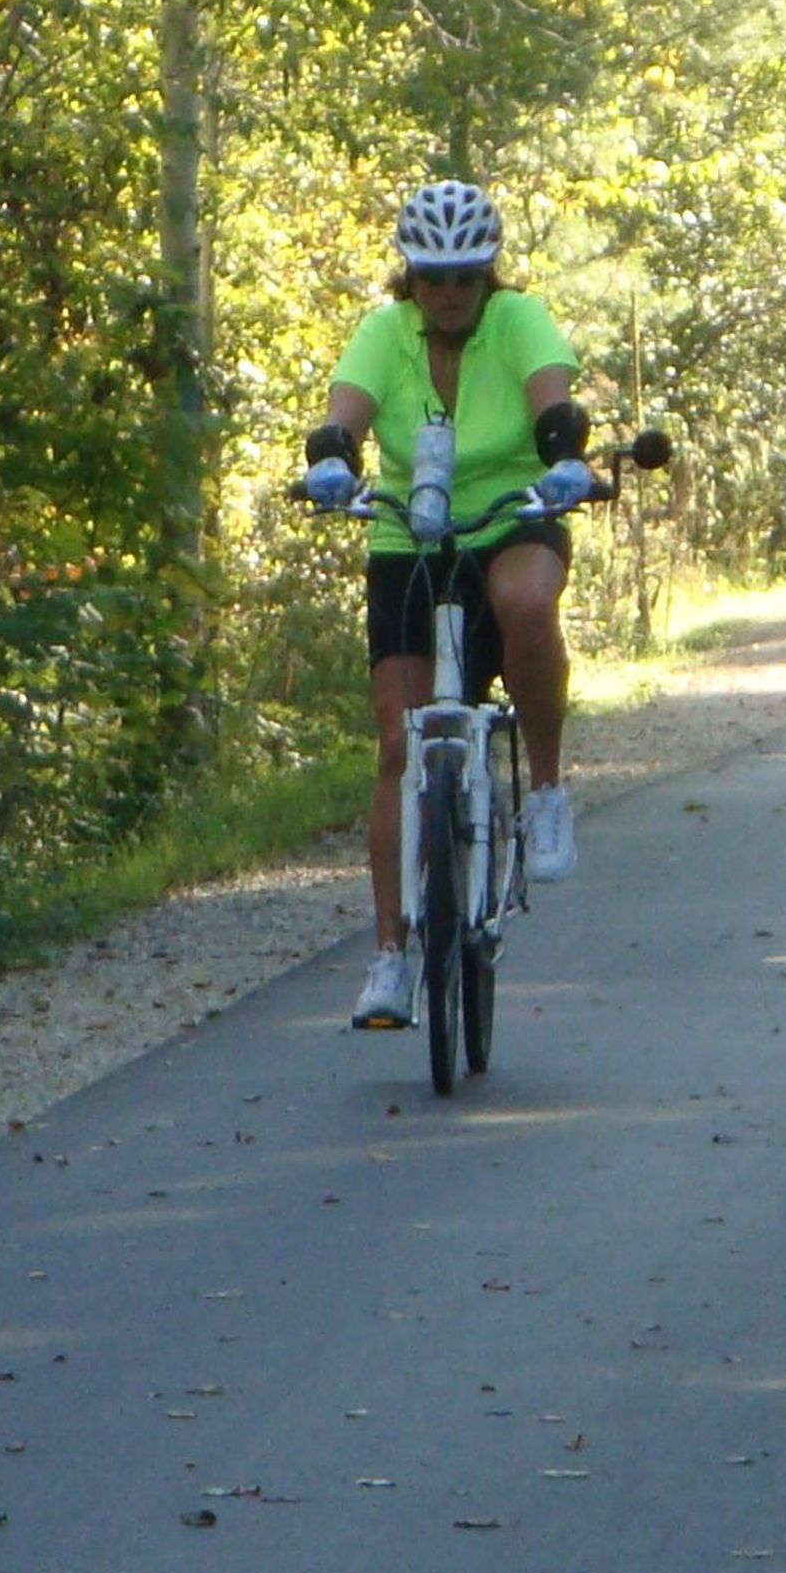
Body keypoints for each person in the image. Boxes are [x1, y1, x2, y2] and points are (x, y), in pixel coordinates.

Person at [300, 181, 591, 1028]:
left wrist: (565, 455)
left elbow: (553, 403)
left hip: (512, 516)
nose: (451, 291)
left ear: (487, 272)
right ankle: (390, 958)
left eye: (466, 275)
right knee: (399, 738)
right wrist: (331, 459)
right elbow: (342, 417)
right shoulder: (384, 334)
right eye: (433, 276)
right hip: (410, 536)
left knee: (526, 599)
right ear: (412, 277)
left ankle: (543, 793)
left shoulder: (518, 322)